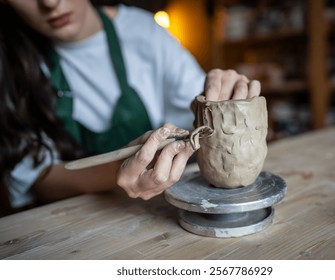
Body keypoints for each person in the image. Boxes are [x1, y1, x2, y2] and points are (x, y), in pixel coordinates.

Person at [0, 0, 261, 212]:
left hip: (155, 211)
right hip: (73, 218)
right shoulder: (11, 63)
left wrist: (220, 97)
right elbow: (37, 180)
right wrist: (116, 170)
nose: (50, 3)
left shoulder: (142, 31)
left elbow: (198, 105)